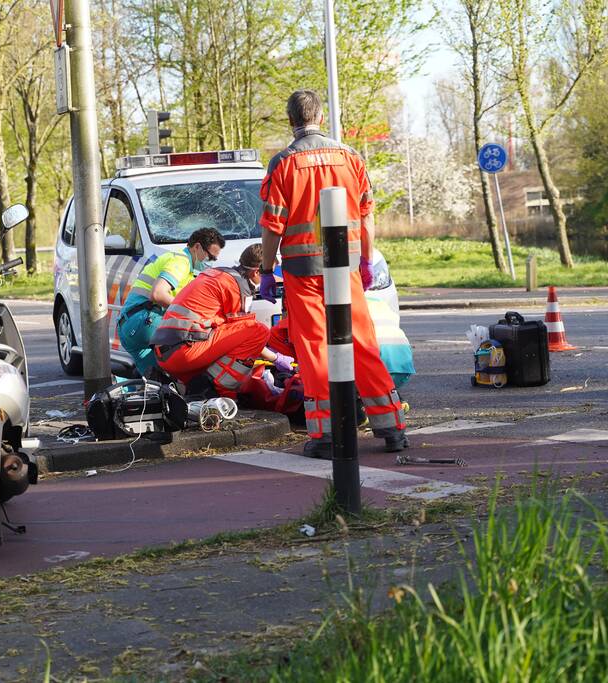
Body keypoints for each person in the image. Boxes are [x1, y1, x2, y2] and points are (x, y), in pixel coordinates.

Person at [258, 89, 407, 458]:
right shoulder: (351, 157)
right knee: (361, 344)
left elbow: (273, 225)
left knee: (313, 351)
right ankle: (391, 428)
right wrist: (368, 260)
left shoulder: (282, 164)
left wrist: (265, 269)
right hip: (347, 270)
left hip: (303, 274)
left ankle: (325, 435)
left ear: (291, 120)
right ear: (321, 118)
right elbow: (368, 213)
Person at [151, 244, 294, 398]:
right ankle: (217, 391)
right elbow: (245, 333)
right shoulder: (235, 287)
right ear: (257, 272)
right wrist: (276, 358)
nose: (273, 278)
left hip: (167, 353)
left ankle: (197, 386)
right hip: (184, 353)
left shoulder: (220, 275)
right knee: (259, 331)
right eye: (270, 273)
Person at [118, 227, 226, 376]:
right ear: (197, 247)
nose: (210, 262)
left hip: (130, 325)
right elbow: (158, 294)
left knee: (156, 382)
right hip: (144, 319)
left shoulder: (186, 268)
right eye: (209, 257)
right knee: (199, 346)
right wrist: (194, 316)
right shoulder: (181, 261)